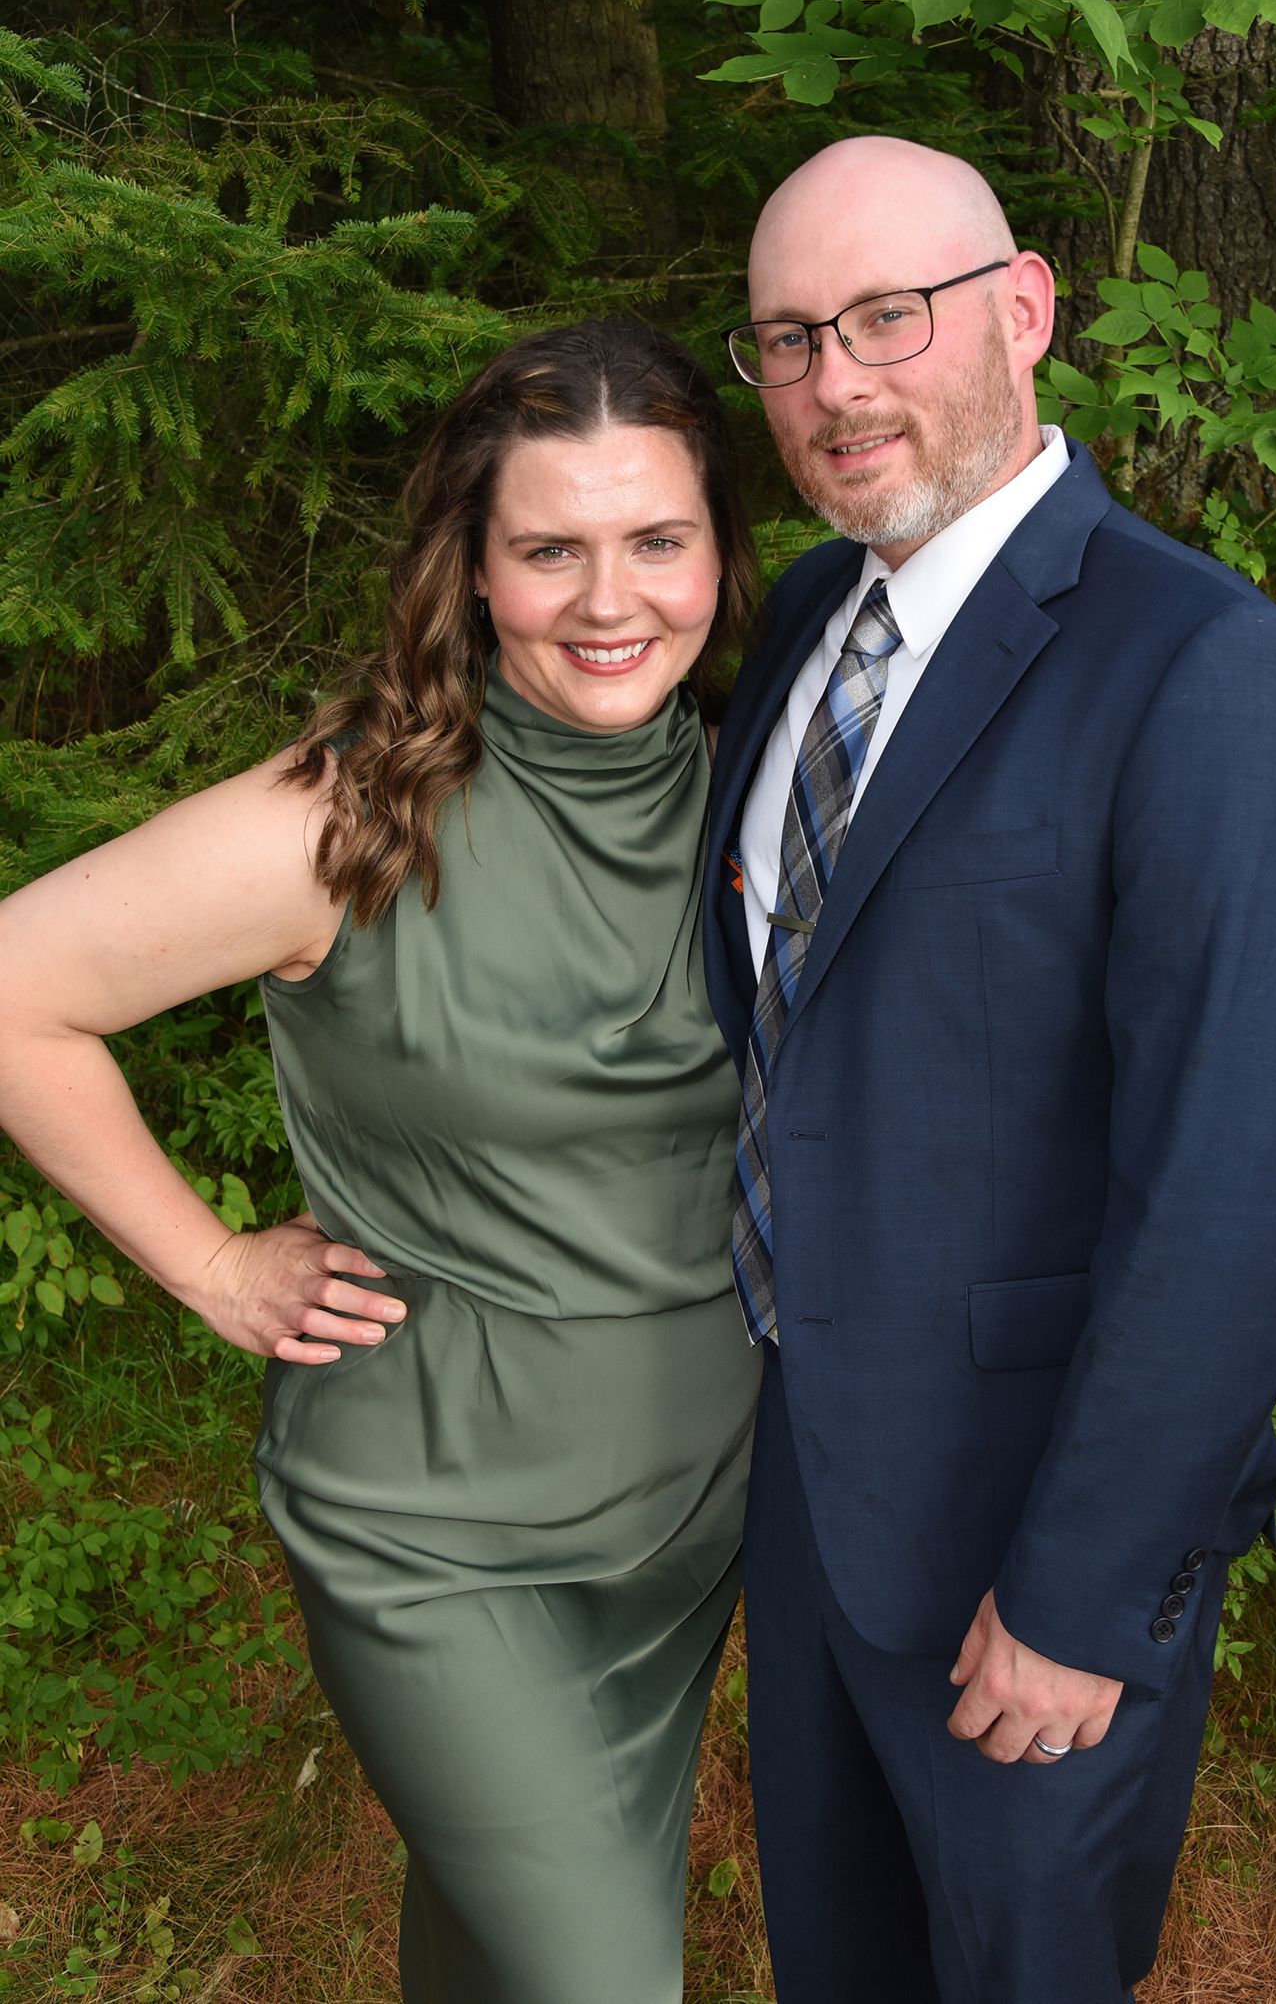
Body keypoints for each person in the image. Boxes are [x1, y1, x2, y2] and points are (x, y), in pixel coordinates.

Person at [0, 318, 763, 2003]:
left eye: (657, 539)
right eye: (548, 549)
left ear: (720, 549)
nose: (608, 596)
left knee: (497, 1961)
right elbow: (14, 993)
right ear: (472, 573)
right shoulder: (350, 821)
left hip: (682, 1529)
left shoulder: (756, 801)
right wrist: (208, 1263)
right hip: (438, 1534)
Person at [703, 136, 1276, 2004]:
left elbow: (1233, 1185)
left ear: (1024, 309)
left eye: (887, 318)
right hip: (816, 1509)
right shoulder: (792, 639)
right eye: (789, 339)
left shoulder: (1201, 667)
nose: (839, 381)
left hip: (1036, 1560)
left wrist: (1086, 1591)